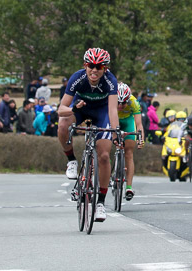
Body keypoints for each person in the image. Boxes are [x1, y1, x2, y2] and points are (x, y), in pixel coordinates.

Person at [57, 48, 121, 223]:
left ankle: (100, 202)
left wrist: (115, 133)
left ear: (105, 68)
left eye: (99, 67)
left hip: (101, 113)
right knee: (63, 123)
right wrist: (73, 109)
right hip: (81, 108)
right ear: (85, 66)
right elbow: (61, 109)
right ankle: (71, 160)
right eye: (91, 66)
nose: (94, 70)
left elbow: (112, 109)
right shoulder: (77, 78)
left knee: (105, 155)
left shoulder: (110, 81)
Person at [115, 82, 145, 200]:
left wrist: (140, 139)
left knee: (129, 153)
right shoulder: (109, 99)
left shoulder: (133, 102)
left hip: (127, 122)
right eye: (118, 102)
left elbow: (139, 124)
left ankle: (128, 186)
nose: (121, 106)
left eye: (124, 103)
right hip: (114, 120)